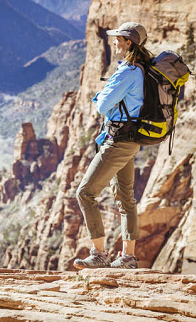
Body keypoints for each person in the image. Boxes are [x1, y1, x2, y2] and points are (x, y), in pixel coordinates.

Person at [73, 21, 153, 270]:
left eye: (118, 38)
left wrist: (103, 93)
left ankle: (99, 254)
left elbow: (102, 104)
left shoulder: (128, 71)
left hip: (118, 141)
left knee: (85, 193)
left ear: (129, 42)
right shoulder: (141, 69)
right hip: (131, 141)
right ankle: (127, 257)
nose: (114, 42)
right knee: (126, 199)